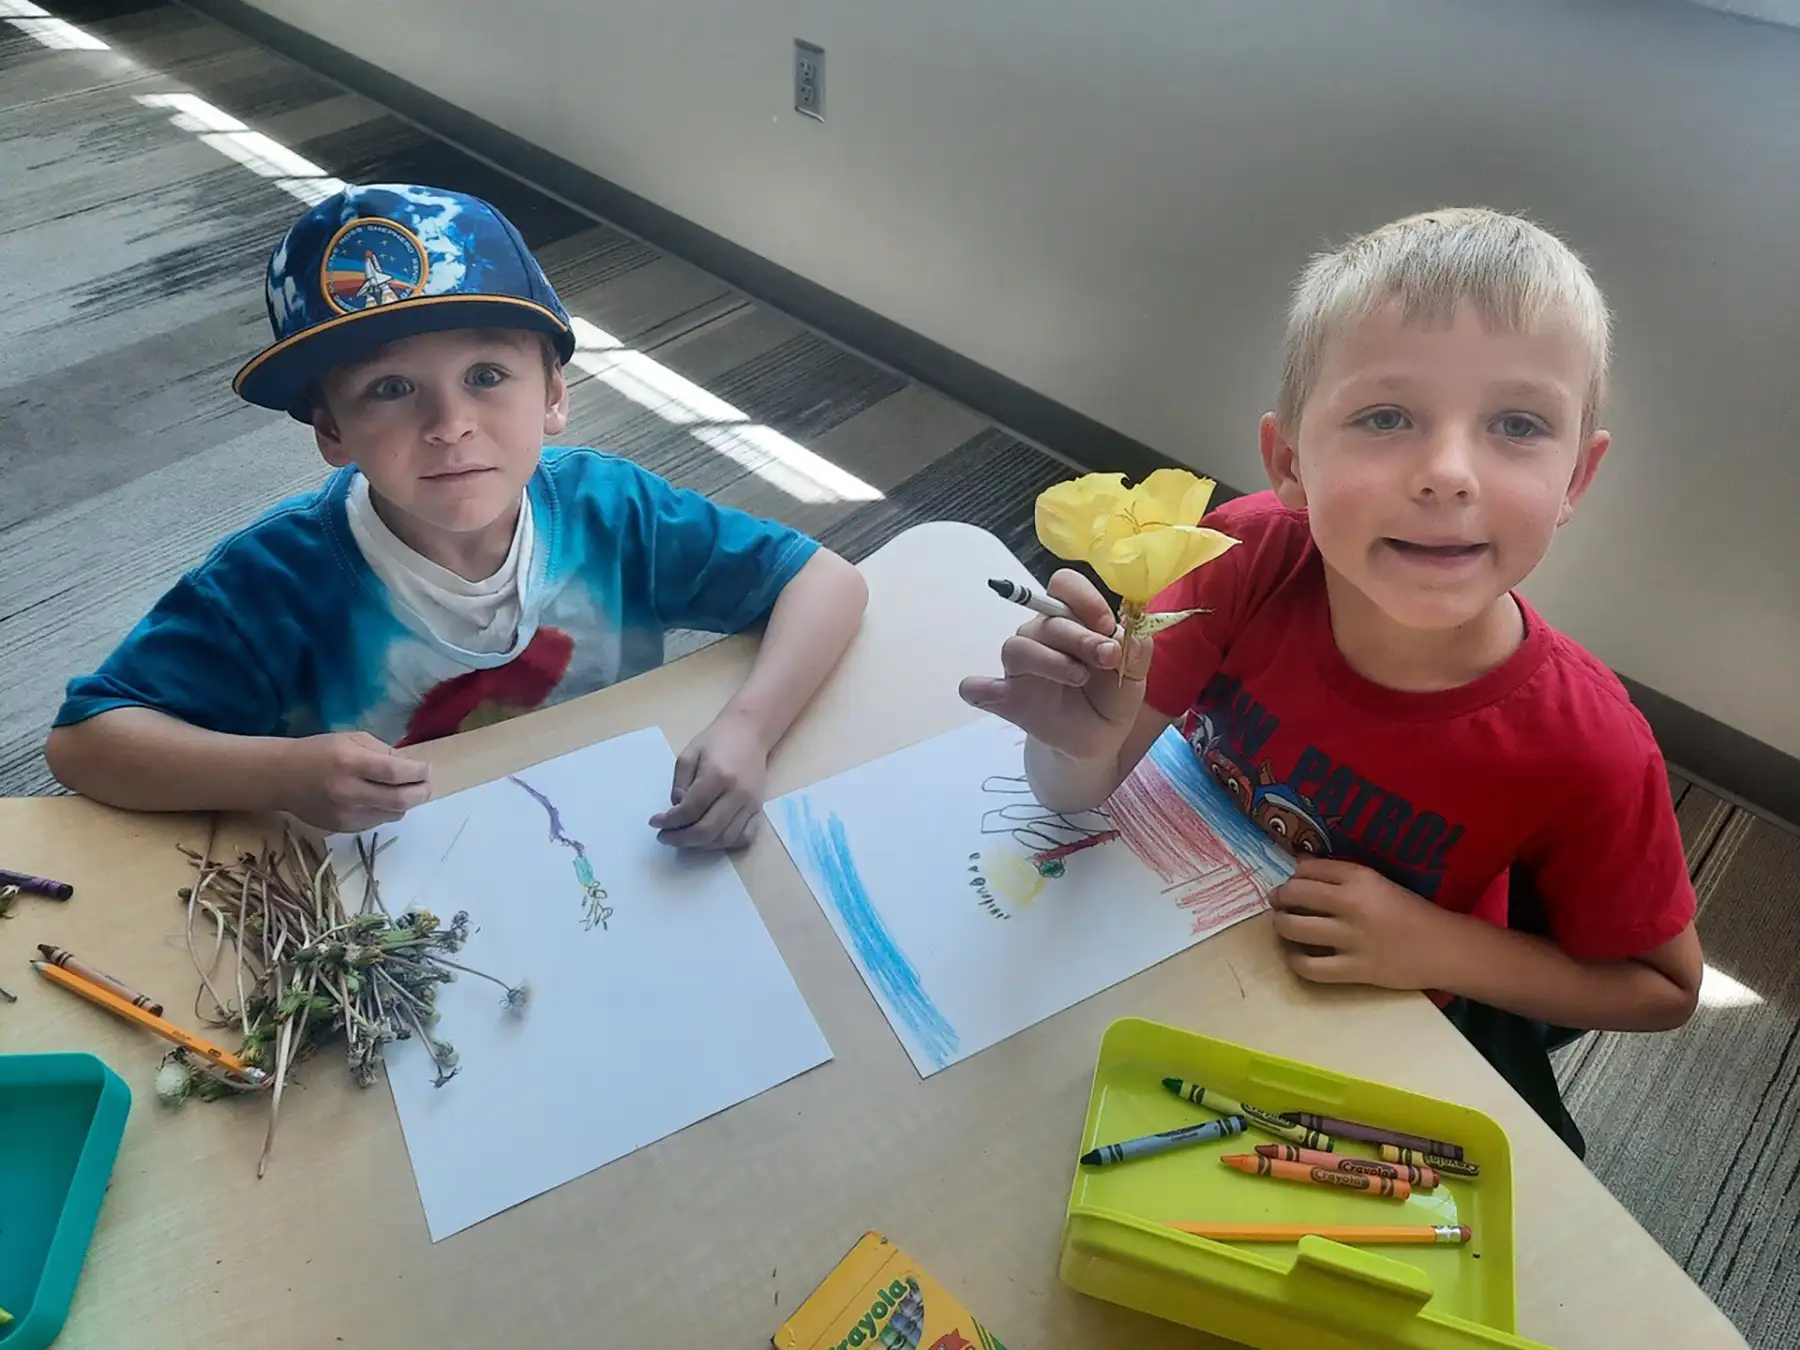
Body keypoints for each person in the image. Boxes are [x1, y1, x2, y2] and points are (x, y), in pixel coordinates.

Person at [959, 207, 1701, 1149]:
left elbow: (1666, 990)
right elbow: (1075, 791)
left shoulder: (1591, 744)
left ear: (1576, 481)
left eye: (1518, 424)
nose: (1446, 473)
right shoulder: (1248, 554)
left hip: (1376, 1014)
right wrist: (1077, 740)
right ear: (1290, 462)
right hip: (1168, 938)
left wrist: (1439, 948)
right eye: (1385, 417)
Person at [46, 184, 868, 848]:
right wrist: (281, 775)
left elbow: (825, 581)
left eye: (485, 374)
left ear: (552, 394)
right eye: (390, 389)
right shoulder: (271, 584)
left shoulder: (613, 512)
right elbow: (84, 744)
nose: (449, 425)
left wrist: (748, 729)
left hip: (618, 844)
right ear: (331, 430)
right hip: (397, 905)